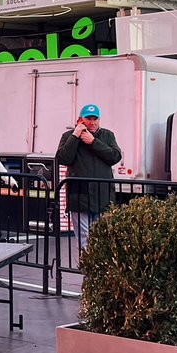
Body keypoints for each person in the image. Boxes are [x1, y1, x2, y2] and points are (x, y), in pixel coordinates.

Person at [56, 104, 122, 253]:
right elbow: (63, 158)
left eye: (95, 119)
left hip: (102, 194)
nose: (92, 122)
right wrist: (75, 136)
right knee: (84, 237)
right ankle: (87, 268)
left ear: (99, 119)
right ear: (81, 119)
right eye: (88, 118)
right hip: (80, 196)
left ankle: (98, 268)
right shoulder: (68, 136)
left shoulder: (107, 135)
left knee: (100, 236)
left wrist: (93, 142)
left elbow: (115, 156)